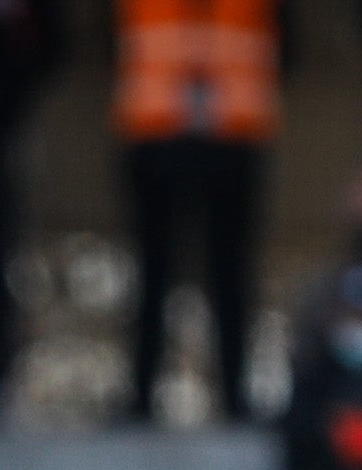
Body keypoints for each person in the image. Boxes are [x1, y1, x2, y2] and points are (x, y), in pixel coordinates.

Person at [114, 0, 285, 422]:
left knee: (229, 274)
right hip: (158, 134)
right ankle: (140, 396)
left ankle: (234, 395)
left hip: (231, 136)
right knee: (154, 273)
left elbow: (282, 46)